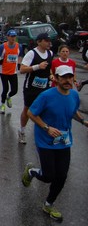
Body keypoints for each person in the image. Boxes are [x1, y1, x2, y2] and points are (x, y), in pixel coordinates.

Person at [21, 65, 88, 222]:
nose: (67, 80)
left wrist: (83, 121)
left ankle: (48, 204)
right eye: (63, 77)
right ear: (56, 79)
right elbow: (31, 113)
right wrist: (47, 128)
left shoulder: (73, 95)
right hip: (45, 141)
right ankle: (31, 172)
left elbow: (73, 111)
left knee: (62, 176)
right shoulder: (46, 96)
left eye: (70, 77)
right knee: (49, 176)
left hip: (64, 141)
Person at [18, 32, 54, 144]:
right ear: (39, 41)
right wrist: (37, 67)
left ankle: (43, 131)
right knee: (27, 110)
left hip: (45, 87)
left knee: (45, 110)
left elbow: (49, 68)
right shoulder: (31, 54)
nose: (49, 43)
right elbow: (22, 69)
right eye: (46, 41)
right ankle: (22, 131)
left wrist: (51, 75)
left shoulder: (50, 53)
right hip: (31, 87)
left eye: (49, 41)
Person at [0, 29, 22, 114]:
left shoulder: (19, 46)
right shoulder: (3, 47)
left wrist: (19, 64)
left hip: (13, 72)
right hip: (4, 72)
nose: (13, 38)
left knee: (14, 90)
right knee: (5, 89)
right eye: (11, 36)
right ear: (8, 37)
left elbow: (20, 56)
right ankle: (2, 105)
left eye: (14, 37)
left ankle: (9, 97)